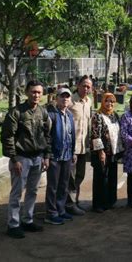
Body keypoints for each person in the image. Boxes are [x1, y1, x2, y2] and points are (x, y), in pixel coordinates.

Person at [1, 80, 51, 239]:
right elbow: (7, 136)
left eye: (39, 92)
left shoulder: (42, 112)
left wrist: (46, 156)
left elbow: (46, 135)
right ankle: (13, 224)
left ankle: (27, 220)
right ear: (27, 92)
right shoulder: (16, 112)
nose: (36, 95)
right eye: (33, 92)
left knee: (33, 191)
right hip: (21, 158)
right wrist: (14, 159)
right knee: (16, 193)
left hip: (37, 157)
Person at [45, 88, 77, 225]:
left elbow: (71, 135)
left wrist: (73, 152)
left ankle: (61, 210)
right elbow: (46, 137)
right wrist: (46, 155)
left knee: (63, 185)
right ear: (57, 98)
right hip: (55, 156)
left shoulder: (69, 115)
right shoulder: (51, 115)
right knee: (53, 186)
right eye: (62, 96)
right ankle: (51, 213)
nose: (65, 99)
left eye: (67, 97)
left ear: (70, 100)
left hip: (67, 155)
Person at [90, 92, 124, 213]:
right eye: (107, 101)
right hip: (102, 152)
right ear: (102, 102)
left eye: (112, 101)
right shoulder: (98, 116)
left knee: (112, 177)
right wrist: (100, 152)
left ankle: (110, 201)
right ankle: (99, 204)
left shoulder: (114, 115)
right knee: (101, 178)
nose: (109, 103)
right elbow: (95, 135)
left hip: (113, 152)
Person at [67, 75, 93, 216]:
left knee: (80, 175)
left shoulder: (88, 102)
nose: (86, 89)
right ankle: (69, 204)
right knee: (70, 177)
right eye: (84, 85)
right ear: (78, 85)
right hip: (72, 147)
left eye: (89, 86)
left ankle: (74, 201)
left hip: (83, 146)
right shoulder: (70, 101)